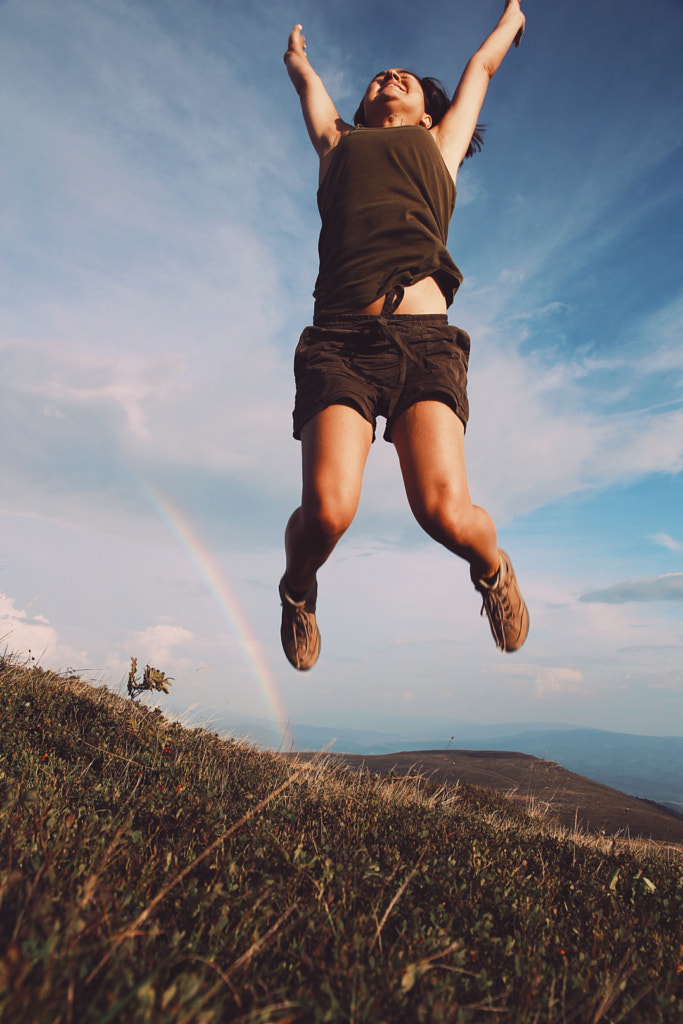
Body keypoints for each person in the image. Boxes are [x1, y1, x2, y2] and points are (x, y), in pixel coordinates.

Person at [280, 1, 529, 670]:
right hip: (338, 343)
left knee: (444, 514)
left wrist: (511, 18)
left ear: (426, 114)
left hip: (423, 341)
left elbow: (481, 65)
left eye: (407, 77)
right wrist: (299, 64)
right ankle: (297, 591)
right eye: (378, 76)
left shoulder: (438, 146)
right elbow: (312, 97)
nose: (389, 73)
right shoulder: (339, 148)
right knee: (329, 512)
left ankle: (492, 571)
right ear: (359, 110)